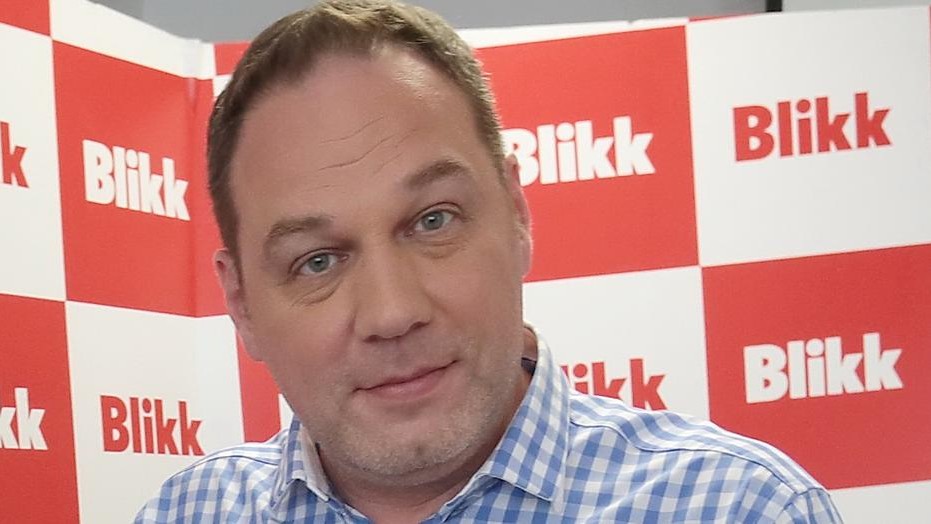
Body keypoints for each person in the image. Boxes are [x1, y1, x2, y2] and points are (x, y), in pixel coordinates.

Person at [136, 1, 843, 522]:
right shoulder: (185, 514)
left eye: (432, 221)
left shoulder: (744, 508)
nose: (392, 311)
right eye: (317, 262)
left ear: (516, 213)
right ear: (242, 306)